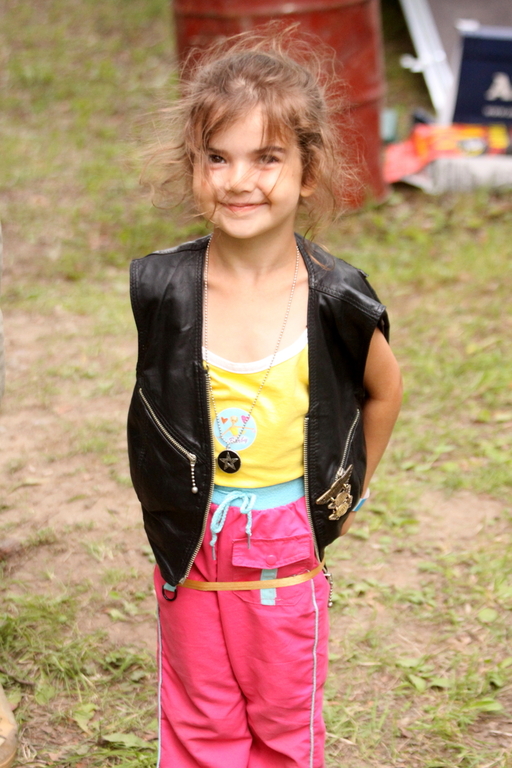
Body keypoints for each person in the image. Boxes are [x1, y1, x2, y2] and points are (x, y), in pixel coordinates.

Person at [127, 29, 402, 768]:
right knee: (198, 717)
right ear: (192, 167)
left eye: (267, 157)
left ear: (309, 172)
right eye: (217, 157)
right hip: (190, 539)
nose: (238, 179)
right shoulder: (164, 288)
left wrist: (351, 490)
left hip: (286, 545)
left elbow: (384, 391)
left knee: (282, 721)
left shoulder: (335, 298)